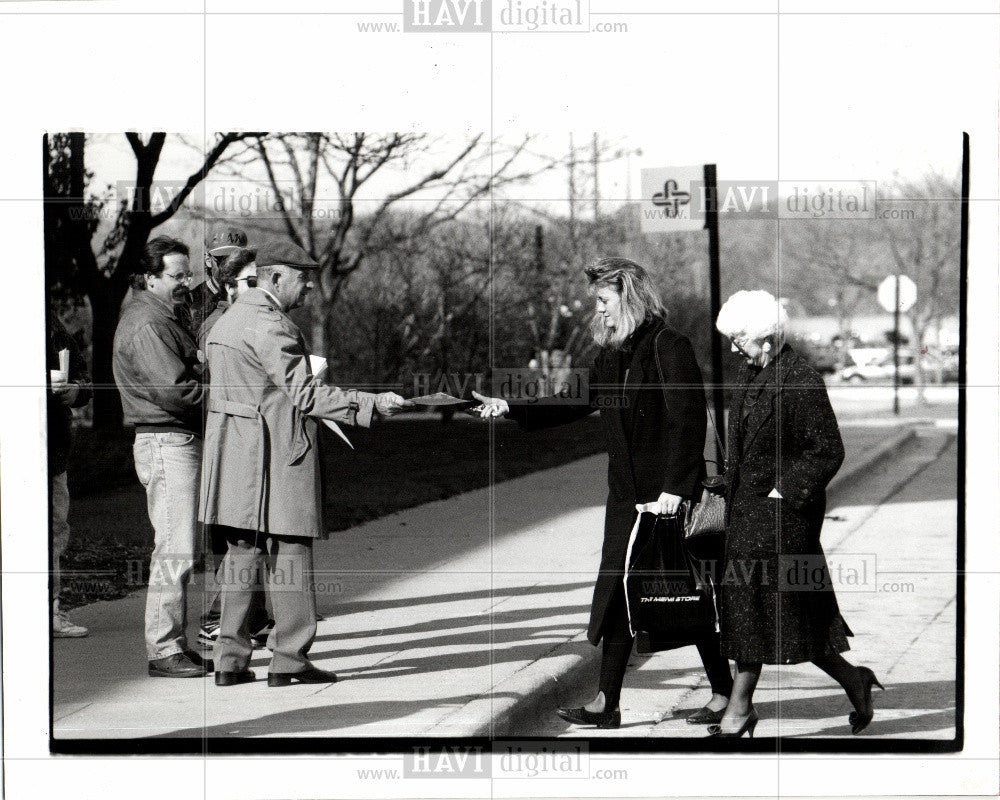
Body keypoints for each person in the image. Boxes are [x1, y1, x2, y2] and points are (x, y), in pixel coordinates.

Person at [472, 257, 733, 729]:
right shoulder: (612, 353)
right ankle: (611, 702)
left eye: (604, 300)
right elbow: (576, 400)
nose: (600, 310)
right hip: (625, 498)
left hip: (665, 502)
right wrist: (510, 406)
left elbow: (688, 420)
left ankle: (717, 693)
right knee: (625, 593)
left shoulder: (668, 348)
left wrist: (676, 488)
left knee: (676, 596)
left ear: (629, 296)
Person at [200, 240, 412, 688]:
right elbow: (307, 395)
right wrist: (369, 404)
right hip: (277, 453)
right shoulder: (271, 325)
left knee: (241, 554)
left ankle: (229, 660)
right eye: (303, 276)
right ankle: (289, 660)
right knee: (290, 553)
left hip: (236, 456)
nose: (312, 285)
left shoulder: (225, 320)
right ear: (275, 278)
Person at [710, 290, 883, 737]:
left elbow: (827, 449)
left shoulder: (800, 379)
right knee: (787, 616)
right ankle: (853, 678)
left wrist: (779, 494)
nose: (733, 347)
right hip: (747, 517)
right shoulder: (755, 372)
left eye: (738, 338)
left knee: (756, 610)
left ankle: (738, 711)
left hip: (781, 521)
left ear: (766, 335)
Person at [113, 236, 211, 677]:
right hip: (166, 442)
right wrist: (222, 389)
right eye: (176, 276)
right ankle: (164, 649)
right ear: (149, 277)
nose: (185, 283)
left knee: (181, 546)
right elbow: (176, 392)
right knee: (175, 548)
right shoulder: (148, 324)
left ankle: (172, 643)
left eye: (188, 274)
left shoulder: (159, 314)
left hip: (172, 441)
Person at [192, 247, 273, 650]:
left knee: (250, 534)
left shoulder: (258, 320)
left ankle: (250, 620)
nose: (258, 290)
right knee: (239, 536)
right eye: (249, 283)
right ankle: (219, 623)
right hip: (234, 436)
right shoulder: (221, 326)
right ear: (228, 287)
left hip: (251, 433)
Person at [48, 310, 93, 637]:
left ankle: (51, 611)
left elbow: (80, 373)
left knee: (53, 532)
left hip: (51, 450)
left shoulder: (47, 319)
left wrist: (74, 390)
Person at [189, 225, 247, 334]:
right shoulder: (191, 300)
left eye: (236, 260)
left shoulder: (251, 293)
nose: (229, 266)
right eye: (221, 260)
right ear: (208, 259)